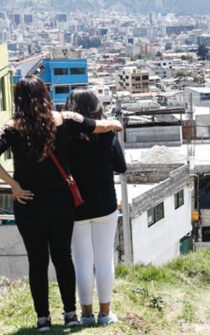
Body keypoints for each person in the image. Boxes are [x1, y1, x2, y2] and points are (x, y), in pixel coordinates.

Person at [0, 76, 122, 332]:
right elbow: (96, 126)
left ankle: (43, 320)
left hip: (29, 204)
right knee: (63, 259)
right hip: (60, 203)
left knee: (37, 263)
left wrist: (13, 184)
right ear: (45, 95)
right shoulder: (64, 119)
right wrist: (114, 123)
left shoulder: (12, 128)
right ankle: (70, 314)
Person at [64, 89, 126, 326]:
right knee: (103, 258)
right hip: (105, 203)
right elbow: (121, 167)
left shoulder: (64, 136)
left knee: (81, 259)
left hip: (75, 206)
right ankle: (105, 313)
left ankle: (86, 314)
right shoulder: (107, 133)